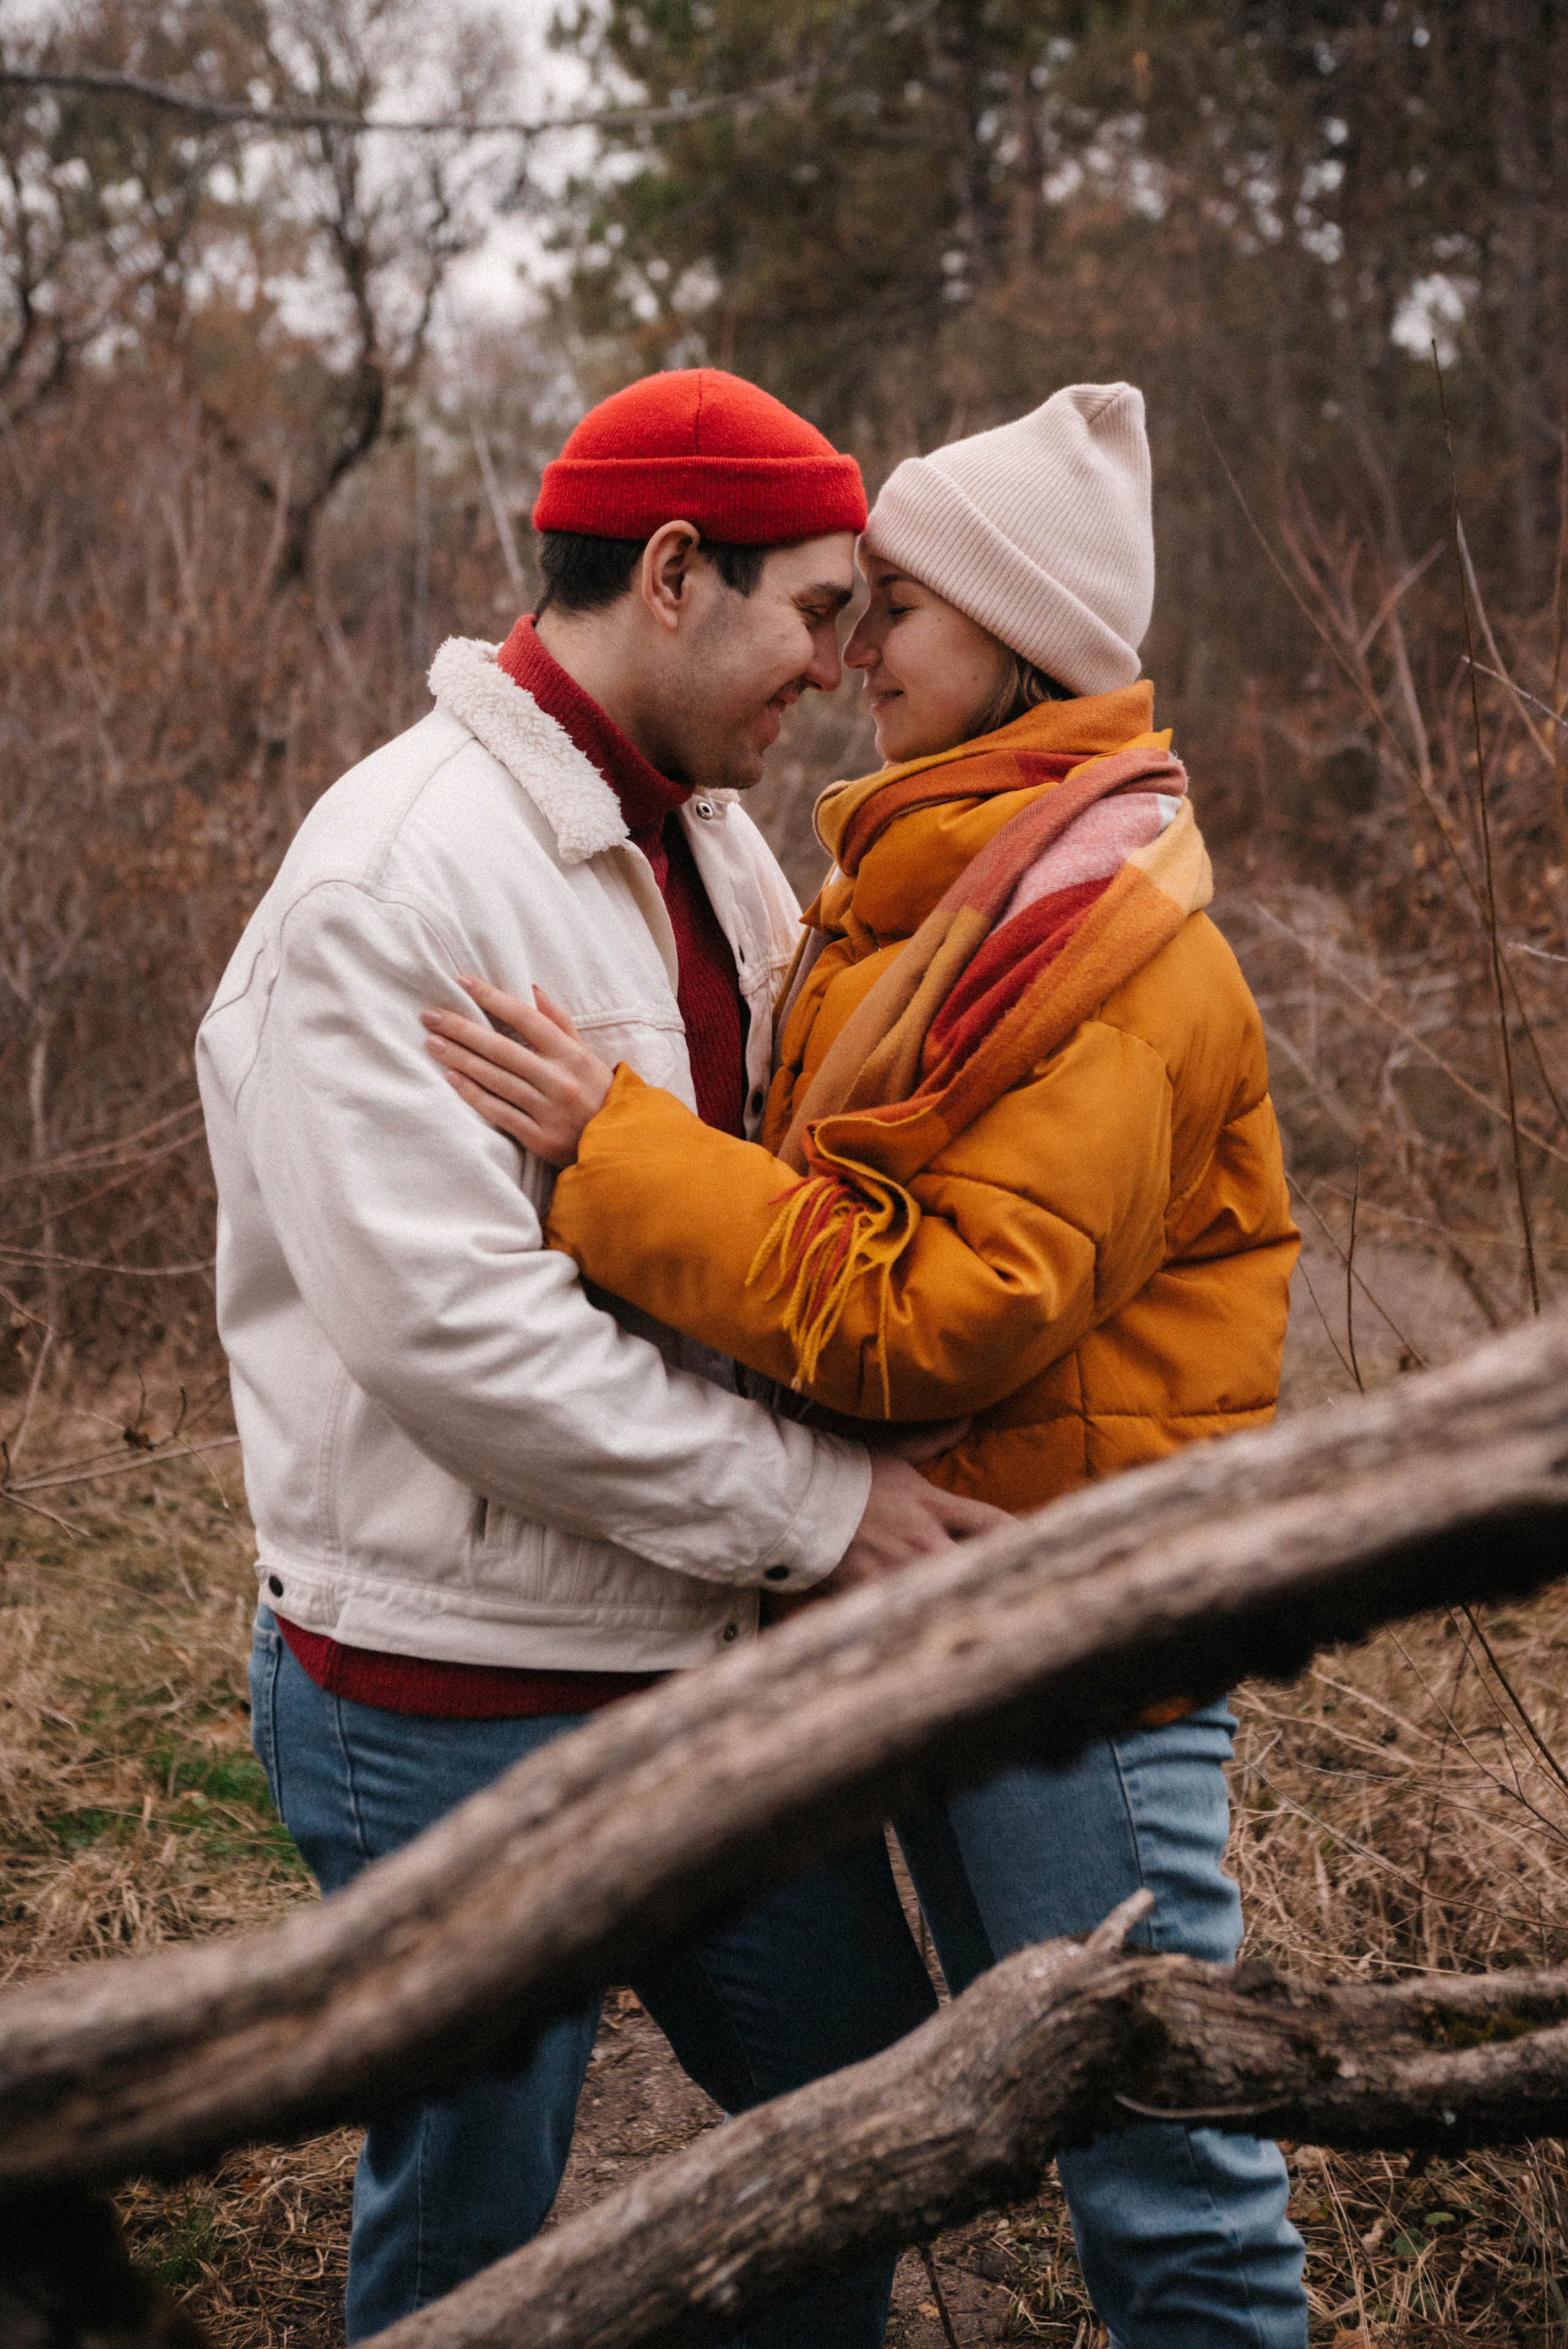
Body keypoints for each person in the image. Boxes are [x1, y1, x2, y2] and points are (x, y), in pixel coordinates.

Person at [424, 382, 1312, 2348]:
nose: (848, 656)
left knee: (1170, 2184)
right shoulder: (925, 889)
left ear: (1020, 636)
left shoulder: (1110, 940)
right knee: (1061, 2124)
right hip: (957, 1616)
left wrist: (611, 1154)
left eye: (892, 609)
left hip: (1079, 1645)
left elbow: (938, 1308)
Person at [196, 367, 1010, 2347]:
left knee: (861, 2114)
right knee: (475, 2214)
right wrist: (824, 1509)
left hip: (690, 1653)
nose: (840, 662)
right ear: (670, 572)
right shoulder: (393, 877)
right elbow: (459, 1341)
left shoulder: (712, 843)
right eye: (817, 610)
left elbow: (763, 1206)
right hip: (442, 1689)